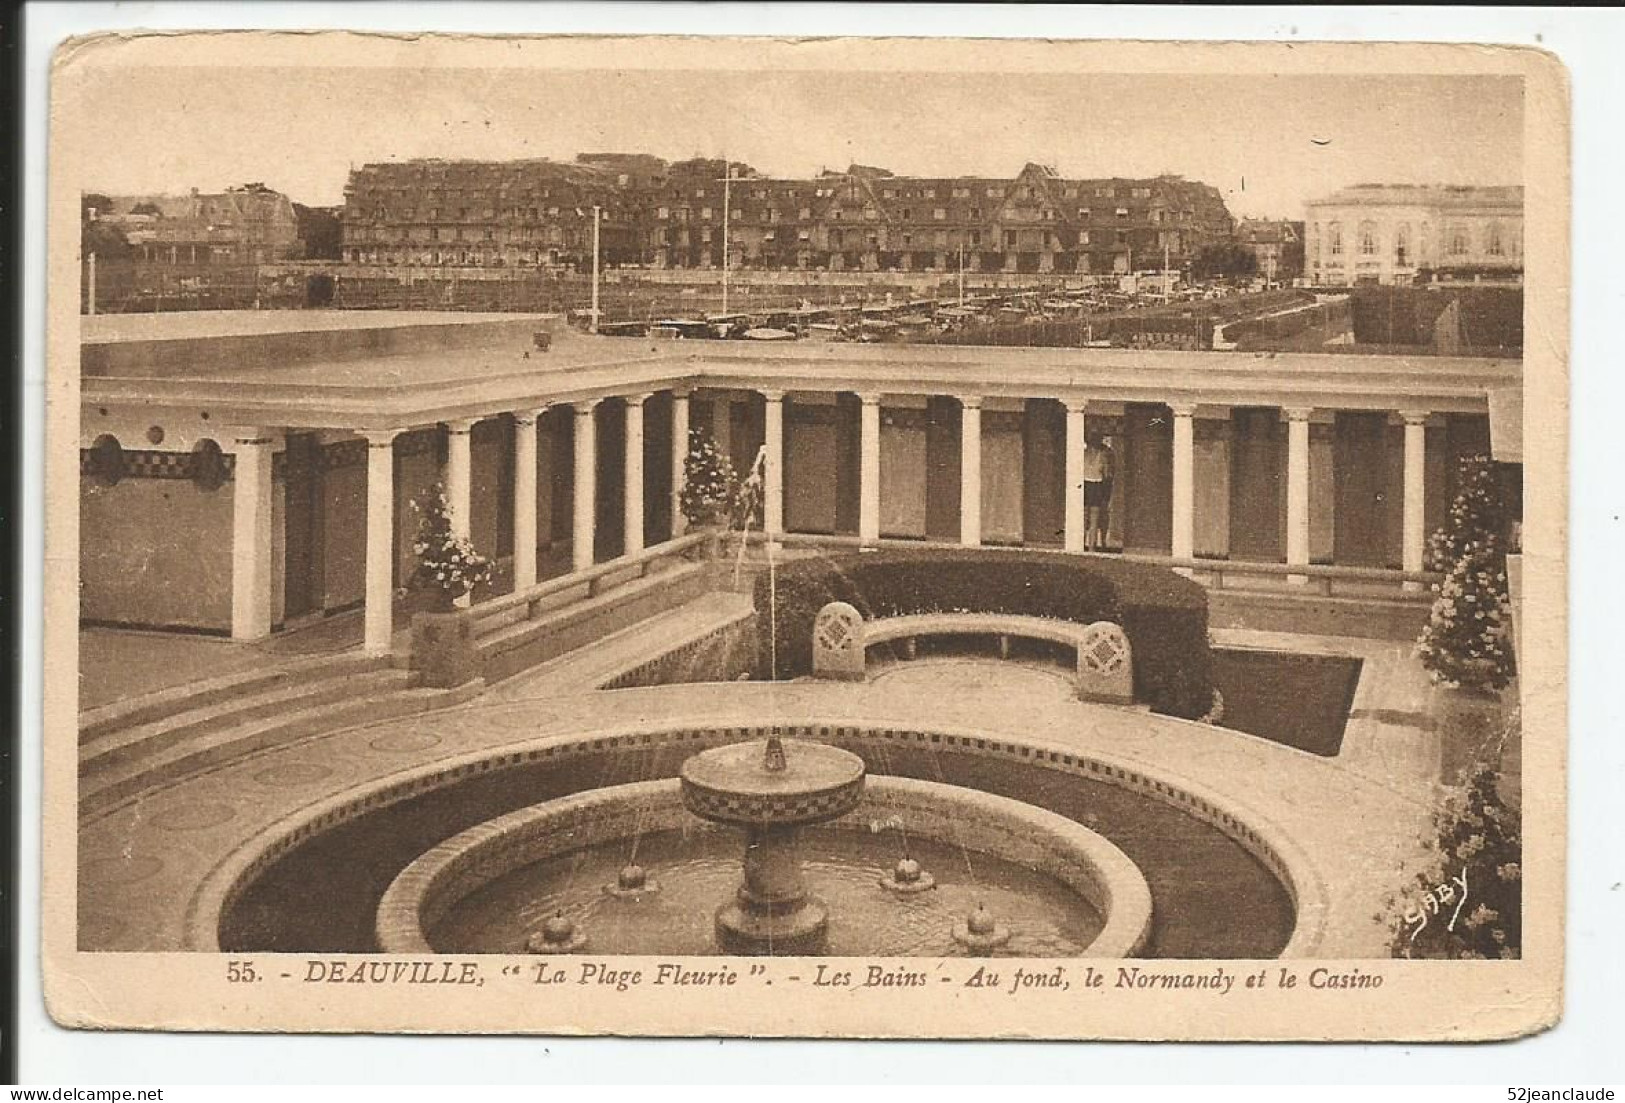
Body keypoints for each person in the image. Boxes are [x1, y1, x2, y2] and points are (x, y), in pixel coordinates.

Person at [1082, 432, 1115, 551]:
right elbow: (1106, 473)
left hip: (1085, 484)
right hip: (1096, 485)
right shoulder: (1102, 455)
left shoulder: (1083, 454)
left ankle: (1081, 545)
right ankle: (1091, 548)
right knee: (1094, 518)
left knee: (1084, 517)